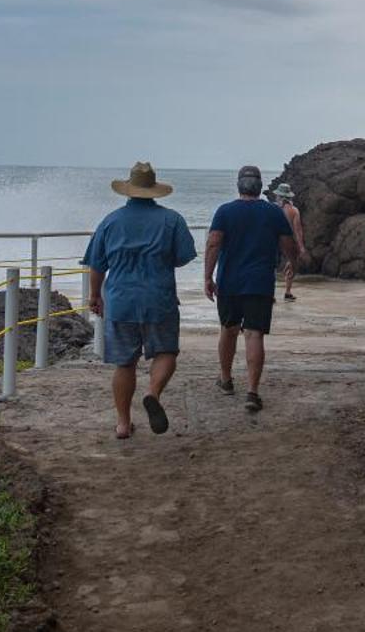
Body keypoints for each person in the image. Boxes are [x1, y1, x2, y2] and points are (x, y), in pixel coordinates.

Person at [83, 162, 196, 440]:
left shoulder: (110, 221)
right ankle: (152, 393)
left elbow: (96, 265)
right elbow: (183, 257)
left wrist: (95, 295)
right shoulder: (172, 220)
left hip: (121, 300)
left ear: (128, 190)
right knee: (166, 352)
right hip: (159, 298)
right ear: (154, 191)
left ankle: (123, 423)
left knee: (125, 363)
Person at [205, 164, 296, 413]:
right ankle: (252, 392)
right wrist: (292, 263)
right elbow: (289, 244)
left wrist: (207, 277)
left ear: (238, 185)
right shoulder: (273, 213)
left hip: (229, 282)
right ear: (259, 186)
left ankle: (225, 380)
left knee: (228, 330)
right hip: (259, 282)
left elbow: (213, 244)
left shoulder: (224, 212)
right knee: (254, 335)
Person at [272, 183, 308, 302]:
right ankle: (287, 292)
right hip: (289, 242)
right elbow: (298, 231)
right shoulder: (294, 211)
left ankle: (271, 294)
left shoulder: (274, 209)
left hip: (275, 242)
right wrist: (301, 247)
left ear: (279, 197)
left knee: (271, 267)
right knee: (292, 266)